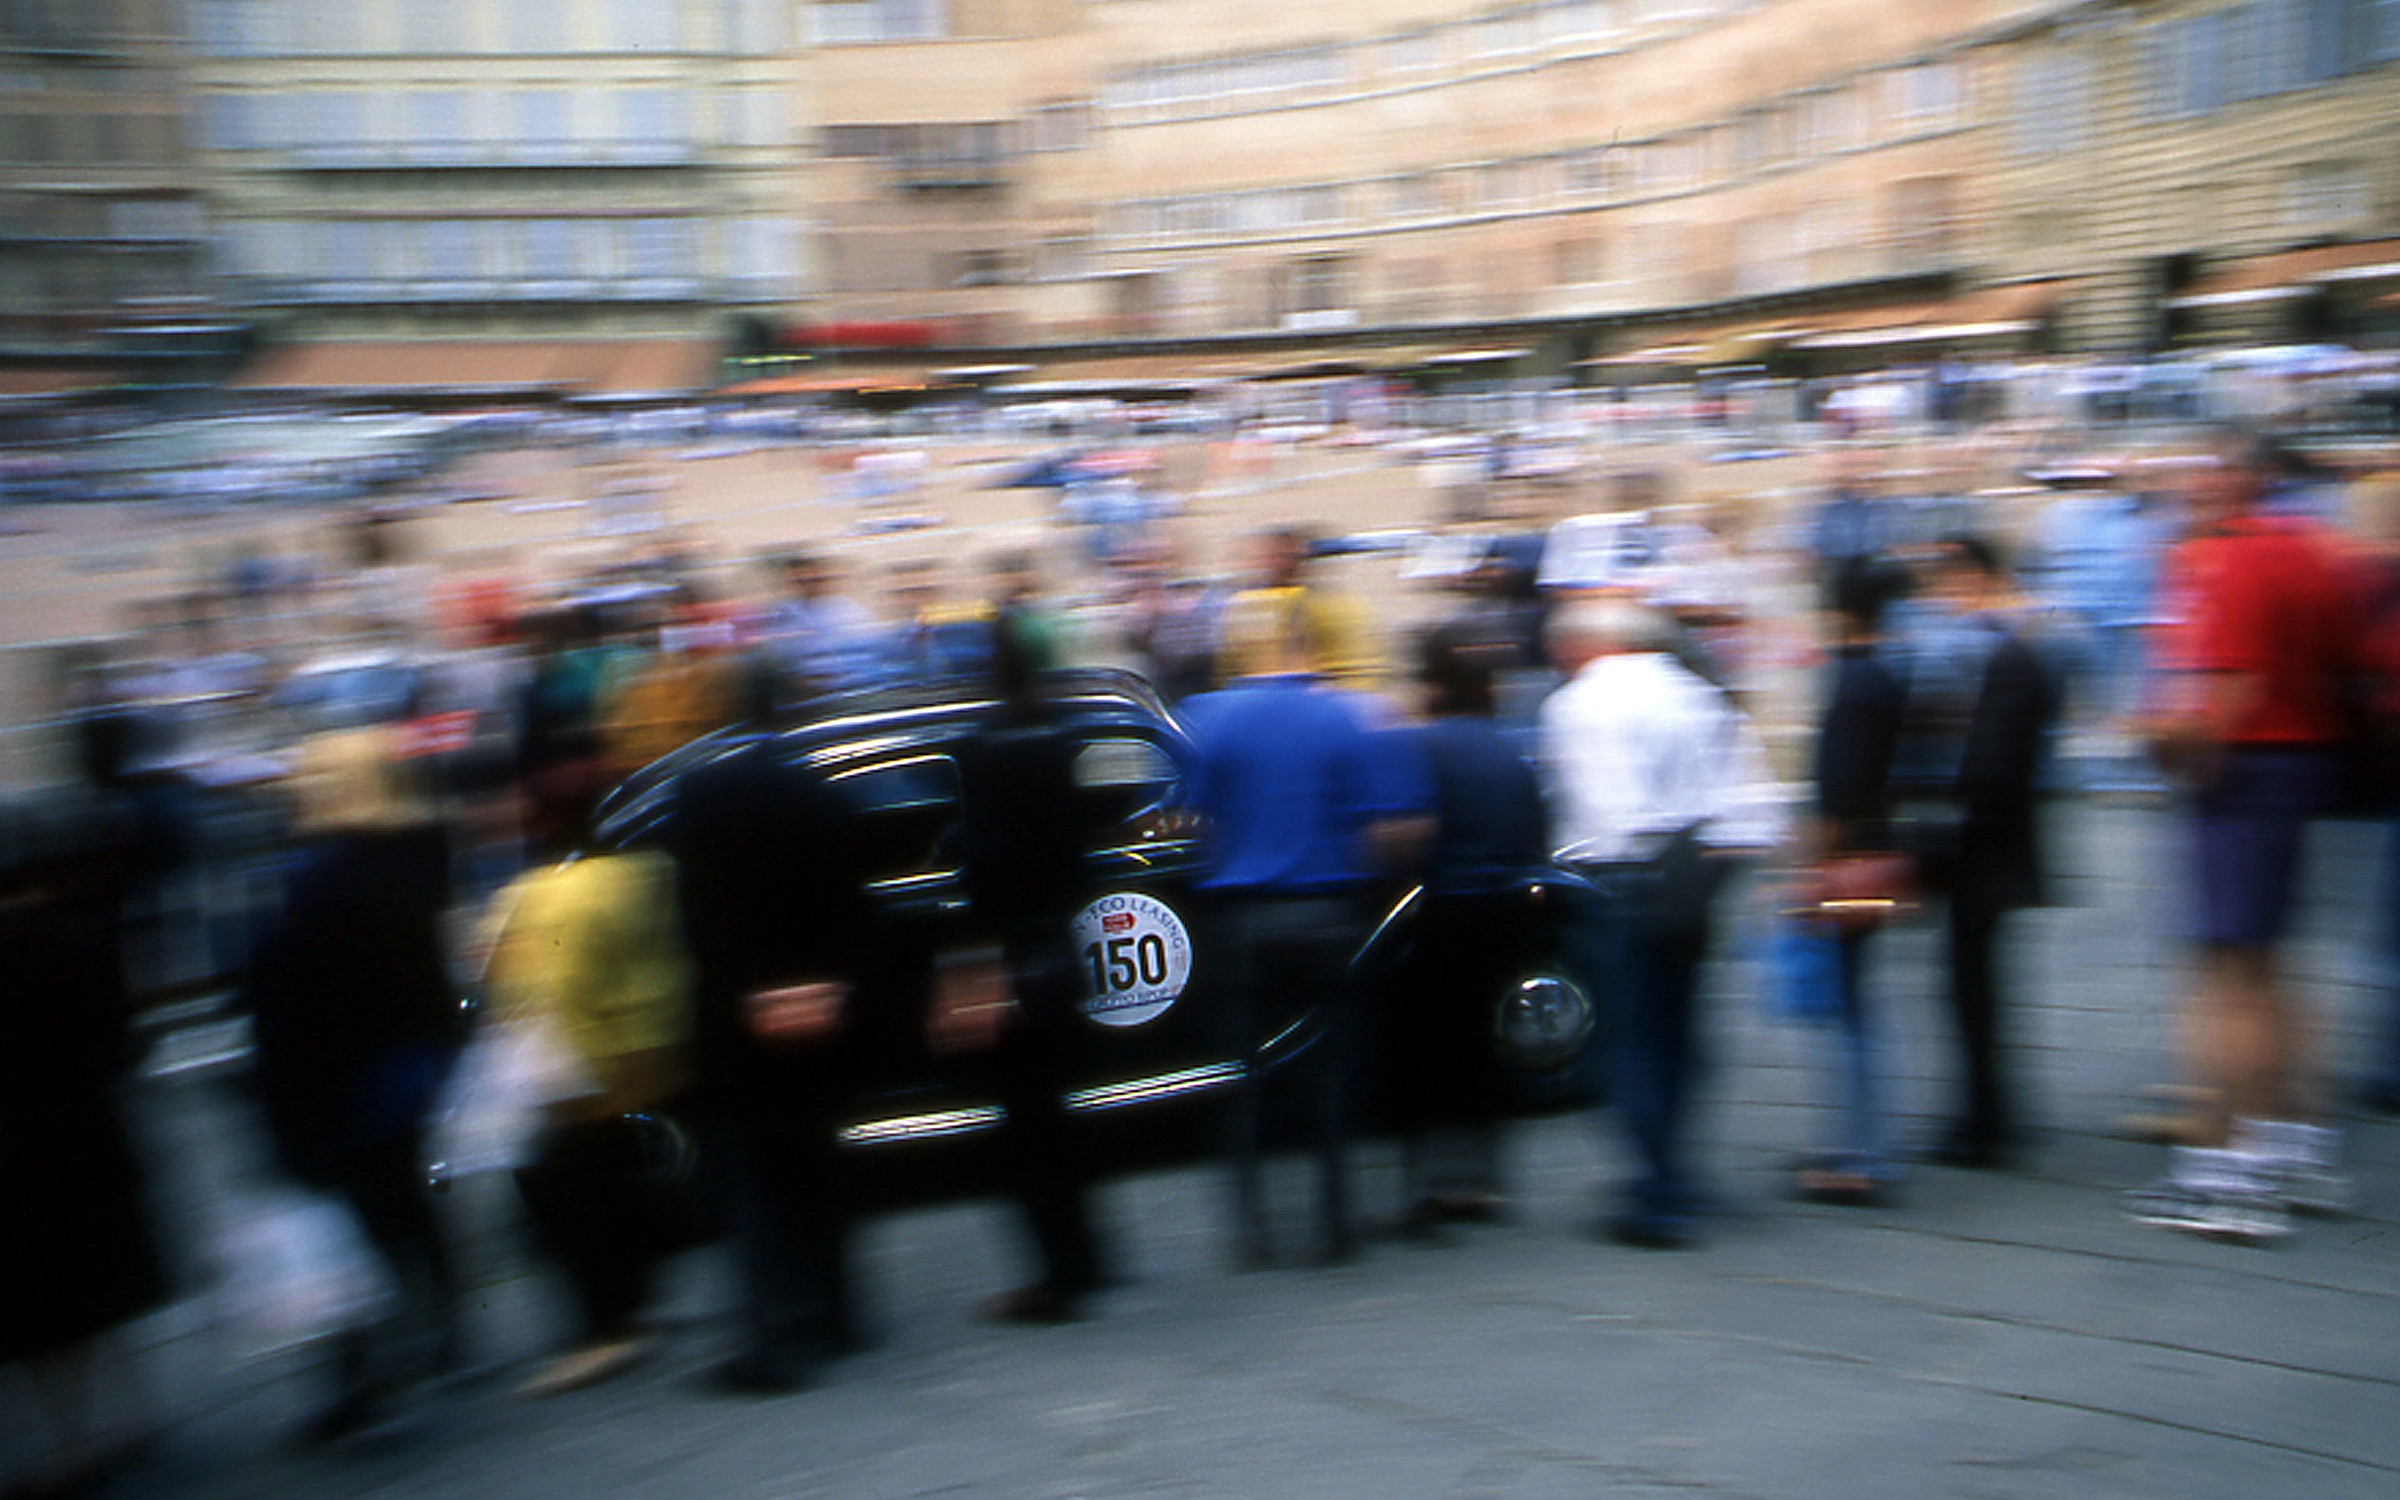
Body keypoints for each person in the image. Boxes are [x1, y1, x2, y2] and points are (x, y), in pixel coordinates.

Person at [2126, 430, 2364, 1240]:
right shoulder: (2311, 551)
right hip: (2305, 767)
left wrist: (2166, 745)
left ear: (2240, 477)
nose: (2187, 484)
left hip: (2242, 772)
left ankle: (2231, 1171)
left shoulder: (2229, 560)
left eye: (2201, 469)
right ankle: (2295, 1144)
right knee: (2271, 967)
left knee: (2223, 973)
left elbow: (2226, 690)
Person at [1183, 602, 1428, 1266]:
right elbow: (1386, 830)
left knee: (1243, 1076)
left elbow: (1189, 820)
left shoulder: (1212, 717)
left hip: (1240, 918)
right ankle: (1333, 1223)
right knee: (1333, 1073)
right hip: (1326, 913)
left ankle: (1251, 1230)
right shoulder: (1345, 715)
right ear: (1312, 651)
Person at [245, 726, 469, 1438]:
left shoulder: (315, 881)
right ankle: (446, 1327)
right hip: (410, 1067)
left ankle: (361, 1375)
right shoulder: (414, 856)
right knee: (404, 1200)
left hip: (342, 1081)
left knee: (347, 1225)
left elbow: (295, 999)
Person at [671, 731, 908, 1391]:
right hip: (822, 1017)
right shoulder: (820, 794)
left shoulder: (700, 798)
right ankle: (836, 1315)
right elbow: (859, 908)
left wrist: (751, 996)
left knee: (754, 1186)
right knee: (819, 1169)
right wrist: (831, 988)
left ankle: (770, 1339)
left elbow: (700, 921)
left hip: (742, 1026)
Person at [1539, 598, 1779, 1249]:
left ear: (1586, 644)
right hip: (1691, 875)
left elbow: (1608, 811)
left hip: (1620, 880)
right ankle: (1678, 1170)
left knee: (1630, 1039)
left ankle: (1655, 1191)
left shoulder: (1578, 703)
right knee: (1681, 1032)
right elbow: (1750, 806)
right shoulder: (1698, 694)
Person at [481, 765, 698, 1397]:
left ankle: (605, 1329)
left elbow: (548, 988)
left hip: (582, 1063)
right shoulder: (645, 872)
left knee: (571, 1197)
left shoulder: (548, 893)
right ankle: (633, 1305)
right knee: (621, 1181)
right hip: (649, 1048)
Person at [934, 613, 1113, 1321]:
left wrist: (972, 968)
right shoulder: (1064, 735)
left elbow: (979, 864)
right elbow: (1081, 843)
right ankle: (1087, 1259)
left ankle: (1055, 1279)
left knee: (1025, 1129)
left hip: (1012, 951)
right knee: (1060, 1117)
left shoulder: (978, 747)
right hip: (1063, 945)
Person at [0, 791, 169, 1496]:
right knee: (101, 1286)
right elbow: (121, 1040)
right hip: (90, 1133)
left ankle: (77, 1443)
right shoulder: (86, 936)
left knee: (45, 1315)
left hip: (20, 1152)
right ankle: (133, 1415)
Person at [1386, 625, 1546, 1229]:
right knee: (1484, 1045)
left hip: (1438, 912)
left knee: (1425, 1051)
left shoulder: (1419, 746)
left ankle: (1431, 1180)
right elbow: (1533, 837)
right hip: (1498, 913)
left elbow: (1405, 837)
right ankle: (1485, 1180)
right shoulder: (1508, 751)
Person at [1915, 534, 2062, 1169]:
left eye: (1945, 580)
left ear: (1975, 577)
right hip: (1999, 842)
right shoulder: (2028, 648)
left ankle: (1985, 1121)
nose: (1938, 596)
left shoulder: (2004, 655)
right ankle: (1991, 1111)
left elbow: (1993, 764)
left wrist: (1945, 817)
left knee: (1969, 985)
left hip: (1982, 846)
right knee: (1977, 983)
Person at [1794, 559, 1915, 1203]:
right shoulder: (1889, 677)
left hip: (1847, 862)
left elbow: (1834, 794)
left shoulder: (1850, 685)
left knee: (1846, 1007)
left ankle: (1859, 1154)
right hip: (1881, 852)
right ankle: (1861, 1146)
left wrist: (1810, 871)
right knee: (1857, 1002)